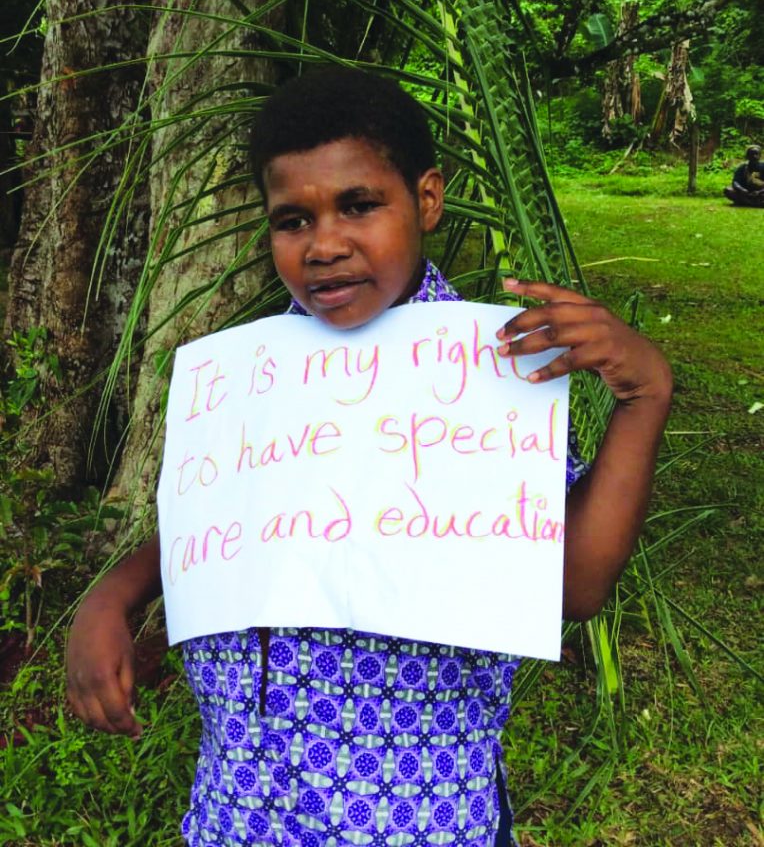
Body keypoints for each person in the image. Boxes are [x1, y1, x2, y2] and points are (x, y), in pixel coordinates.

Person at [66, 67, 673, 847]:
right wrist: (115, 592)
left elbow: (574, 584)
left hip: (417, 816)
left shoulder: (489, 372)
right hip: (239, 809)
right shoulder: (250, 377)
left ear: (425, 199)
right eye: (293, 219)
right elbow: (220, 523)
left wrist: (645, 395)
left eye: (359, 205)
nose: (325, 245)